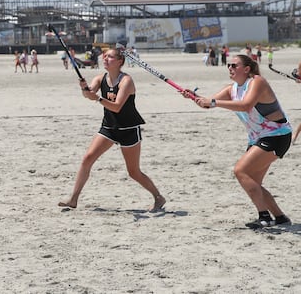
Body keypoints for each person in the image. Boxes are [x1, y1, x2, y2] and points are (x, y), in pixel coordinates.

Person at [184, 54, 292, 228]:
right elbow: (207, 103)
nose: (230, 68)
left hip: (277, 135)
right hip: (258, 137)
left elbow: (245, 105)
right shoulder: (232, 89)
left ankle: (264, 217)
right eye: (228, 65)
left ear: (246, 69)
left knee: (240, 171)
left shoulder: (257, 82)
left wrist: (213, 102)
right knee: (253, 182)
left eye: (234, 65)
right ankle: (280, 218)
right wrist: (194, 96)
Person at [59, 47, 166, 211]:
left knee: (133, 172)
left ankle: (158, 197)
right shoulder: (100, 78)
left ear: (119, 62)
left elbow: (116, 107)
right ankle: (73, 199)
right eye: (105, 56)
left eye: (109, 57)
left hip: (128, 129)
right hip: (109, 127)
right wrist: (84, 89)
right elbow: (89, 95)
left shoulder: (126, 81)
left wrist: (98, 98)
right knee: (87, 159)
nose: (105, 59)